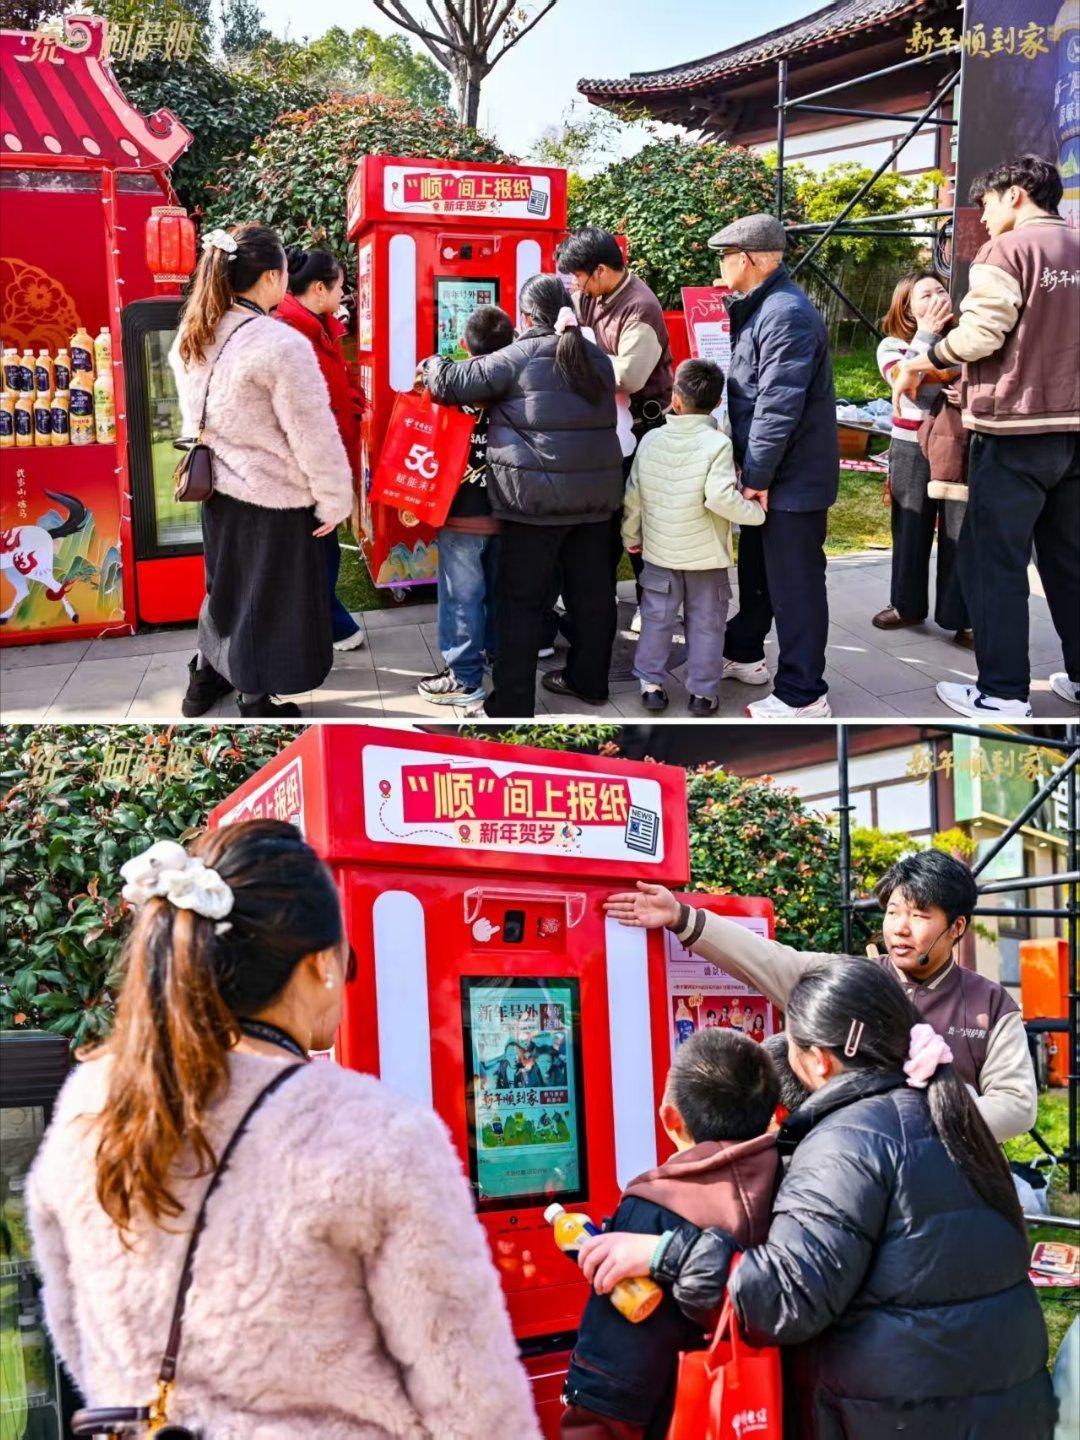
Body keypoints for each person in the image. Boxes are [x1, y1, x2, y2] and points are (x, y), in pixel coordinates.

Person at [26, 823, 540, 1439]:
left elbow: (74, 1329)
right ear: (322, 965)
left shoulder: (90, 1103)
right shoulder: (374, 1129)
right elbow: (471, 1397)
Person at [577, 959, 1056, 1439]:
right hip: (1000, 1407)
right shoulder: (947, 1113)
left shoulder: (850, 1137)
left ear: (820, 1060)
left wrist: (664, 1253)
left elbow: (787, 1297)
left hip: (903, 1417)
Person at [604, 848, 1037, 1142]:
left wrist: (916, 1121)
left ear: (956, 927)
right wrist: (680, 916)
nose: (900, 929)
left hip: (954, 1178)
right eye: (892, 913)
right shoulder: (853, 981)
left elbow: (1016, 1107)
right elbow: (769, 961)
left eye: (920, 916)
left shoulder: (991, 1003)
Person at [890, 154, 1079, 717]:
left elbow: (980, 334)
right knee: (1069, 563)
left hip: (1015, 430)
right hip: (1075, 431)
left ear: (1016, 194)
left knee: (992, 561)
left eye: (988, 203)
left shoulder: (1010, 249)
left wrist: (926, 361)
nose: (985, 216)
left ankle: (1001, 692)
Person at [171, 224, 354, 719]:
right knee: (265, 601)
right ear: (273, 277)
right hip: (275, 497)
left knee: (224, 589)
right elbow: (312, 432)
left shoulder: (194, 334)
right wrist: (336, 498)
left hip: (216, 490)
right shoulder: (279, 343)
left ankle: (204, 680)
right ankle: (255, 699)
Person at [560, 1028, 779, 1440]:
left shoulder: (654, 1210)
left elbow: (612, 1389)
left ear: (671, 1119)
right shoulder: (803, 1183)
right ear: (772, 1111)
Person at [422, 273, 623, 718]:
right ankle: (589, 682)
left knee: (521, 605)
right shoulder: (597, 357)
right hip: (596, 501)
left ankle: (512, 702)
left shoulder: (518, 355)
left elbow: (450, 384)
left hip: (534, 505)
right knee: (592, 598)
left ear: (527, 316)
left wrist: (434, 361)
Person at [708, 214, 839, 719]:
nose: (721, 266)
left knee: (796, 586)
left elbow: (776, 407)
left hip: (790, 480)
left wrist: (757, 477)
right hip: (772, 474)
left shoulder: (784, 314)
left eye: (724, 255)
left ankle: (803, 693)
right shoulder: (762, 307)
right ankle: (744, 653)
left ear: (746, 259)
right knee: (759, 570)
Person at [622, 358, 765, 716]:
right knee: (706, 625)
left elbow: (633, 495)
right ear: (717, 403)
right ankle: (702, 693)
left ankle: (651, 683)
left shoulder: (651, 439)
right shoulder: (717, 444)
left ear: (675, 398)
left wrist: (630, 536)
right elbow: (719, 497)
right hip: (706, 559)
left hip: (658, 552)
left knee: (657, 619)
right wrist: (756, 514)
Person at [557, 226, 675, 620]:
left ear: (602, 270)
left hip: (644, 430)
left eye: (579, 276)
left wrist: (579, 355)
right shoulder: (593, 295)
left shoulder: (639, 307)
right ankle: (597, 599)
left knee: (642, 520)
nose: (576, 285)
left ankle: (654, 606)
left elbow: (629, 376)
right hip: (611, 428)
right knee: (606, 519)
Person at [417, 304, 514, 707]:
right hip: (507, 507)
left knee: (461, 597)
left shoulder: (449, 383)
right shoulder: (517, 380)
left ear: (462, 343)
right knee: (495, 591)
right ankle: (491, 655)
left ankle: (464, 677)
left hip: (459, 510)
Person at [277, 245, 367, 655]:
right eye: (340, 287)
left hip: (325, 463)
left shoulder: (320, 326)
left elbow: (337, 387)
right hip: (307, 471)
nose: (343, 294)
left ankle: (325, 624)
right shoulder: (293, 334)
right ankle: (329, 624)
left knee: (322, 551)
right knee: (314, 553)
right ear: (318, 289)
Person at [874, 271, 971, 645]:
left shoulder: (967, 339)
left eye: (941, 290)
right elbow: (907, 382)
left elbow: (970, 378)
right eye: (925, 295)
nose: (936, 298)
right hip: (910, 444)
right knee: (910, 527)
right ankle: (906, 606)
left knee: (958, 530)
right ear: (907, 308)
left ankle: (961, 618)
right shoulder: (892, 345)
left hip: (956, 444)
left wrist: (964, 389)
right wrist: (926, 338)